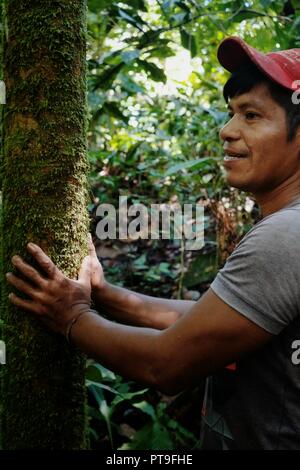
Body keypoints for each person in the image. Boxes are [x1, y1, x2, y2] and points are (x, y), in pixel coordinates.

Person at [6, 37, 300, 450]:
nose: (227, 130)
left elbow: (166, 364)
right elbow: (214, 318)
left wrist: (72, 317)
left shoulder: (285, 236)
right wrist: (104, 295)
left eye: (251, 116)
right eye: (232, 113)